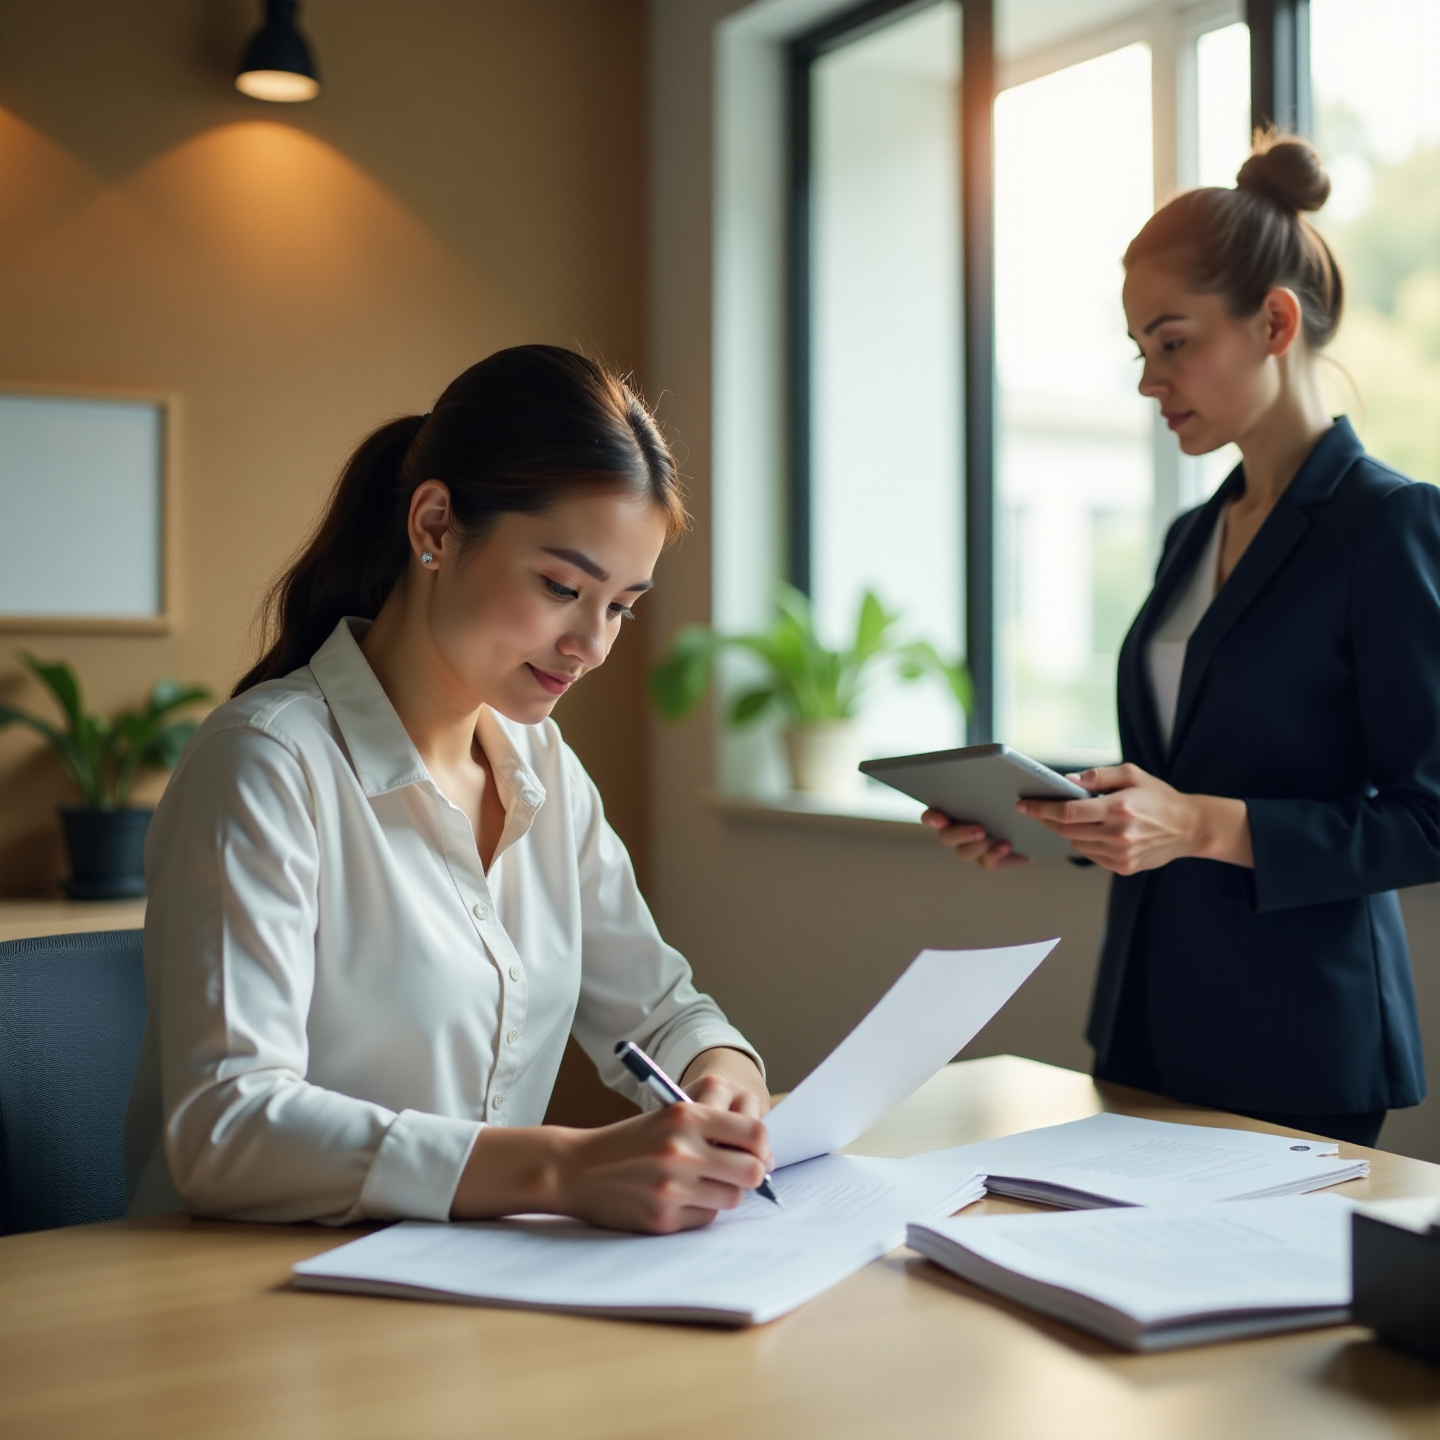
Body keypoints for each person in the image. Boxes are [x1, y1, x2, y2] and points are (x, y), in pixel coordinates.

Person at [125, 345, 772, 1232]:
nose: (593, 644)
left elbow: (663, 1012)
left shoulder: (544, 771)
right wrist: (560, 1167)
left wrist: (722, 1077)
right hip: (246, 1303)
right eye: (561, 586)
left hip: (461, 1295)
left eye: (621, 605)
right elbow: (225, 1127)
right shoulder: (266, 764)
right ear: (433, 526)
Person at [925, 133, 1440, 1147]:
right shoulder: (1190, 536)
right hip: (1146, 1022)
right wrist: (1040, 813)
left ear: (1274, 322)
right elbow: (1175, 776)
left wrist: (1201, 825)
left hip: (1302, 1040)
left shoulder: (1389, 526)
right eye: (1140, 352)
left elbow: (1428, 817)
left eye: (1173, 343)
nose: (1149, 381)